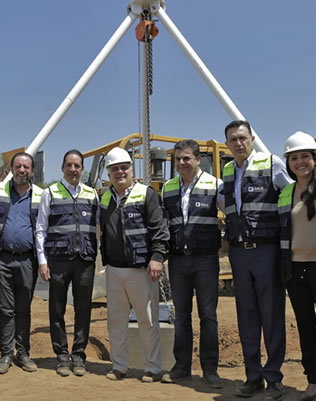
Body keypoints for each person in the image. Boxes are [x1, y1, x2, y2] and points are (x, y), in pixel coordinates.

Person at [223, 120, 293, 401]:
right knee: (247, 315)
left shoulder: (272, 163)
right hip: (239, 253)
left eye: (242, 138)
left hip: (267, 250)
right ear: (227, 143)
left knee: (272, 314)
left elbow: (291, 192)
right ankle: (253, 378)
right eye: (233, 140)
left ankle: (274, 379)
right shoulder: (228, 170)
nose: (238, 143)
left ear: (252, 138)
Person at [100, 147, 169, 382]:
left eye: (123, 168)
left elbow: (159, 228)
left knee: (147, 320)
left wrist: (157, 257)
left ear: (132, 169)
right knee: (116, 320)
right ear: (108, 173)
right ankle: (119, 366)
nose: (119, 172)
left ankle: (152, 368)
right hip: (114, 270)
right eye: (114, 169)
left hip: (141, 269)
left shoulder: (146, 194)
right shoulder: (106, 198)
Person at [161, 140, 223, 388]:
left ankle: (210, 370)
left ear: (198, 160)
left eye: (186, 158)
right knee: (181, 316)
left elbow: (231, 212)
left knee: (208, 316)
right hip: (178, 261)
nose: (181, 163)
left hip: (206, 260)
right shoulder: (168, 188)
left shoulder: (215, 184)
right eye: (177, 159)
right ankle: (181, 366)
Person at [36, 149, 98, 377]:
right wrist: (42, 260)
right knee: (57, 309)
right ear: (62, 168)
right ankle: (61, 355)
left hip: (85, 260)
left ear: (82, 169)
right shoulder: (50, 193)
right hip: (58, 260)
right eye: (69, 165)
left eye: (77, 166)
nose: (73, 170)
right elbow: (41, 228)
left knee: (83, 310)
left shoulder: (92, 194)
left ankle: (79, 355)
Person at [0, 152, 43, 374]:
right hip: (1, 258)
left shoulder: (40, 195)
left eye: (26, 167)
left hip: (29, 260)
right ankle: (6, 353)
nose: (22, 170)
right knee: (5, 308)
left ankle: (23, 353)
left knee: (23, 308)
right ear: (12, 169)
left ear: (32, 171)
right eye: (18, 166)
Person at [278, 131, 316, 401]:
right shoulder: (287, 192)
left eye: (305, 156)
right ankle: (313, 381)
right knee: (305, 328)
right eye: (294, 158)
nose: (300, 162)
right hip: (295, 270)